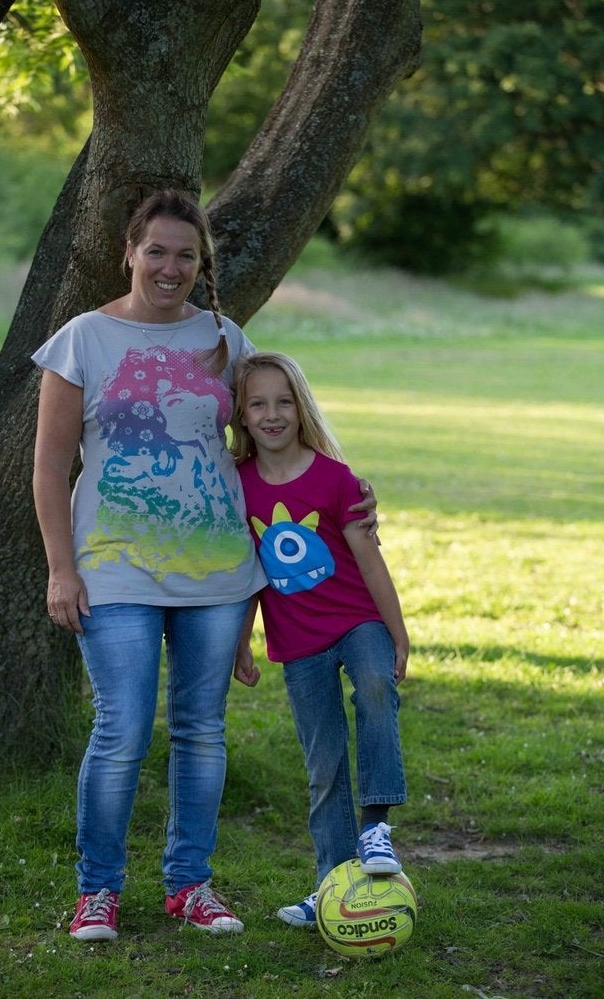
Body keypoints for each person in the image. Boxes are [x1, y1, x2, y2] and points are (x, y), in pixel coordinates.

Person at [32, 190, 377, 941]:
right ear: (128, 252)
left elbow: (270, 440)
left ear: (202, 263)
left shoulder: (226, 337)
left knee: (200, 730)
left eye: (186, 254)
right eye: (156, 250)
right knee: (121, 728)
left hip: (218, 568)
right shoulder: (82, 339)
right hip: (112, 566)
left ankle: (190, 885)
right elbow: (51, 463)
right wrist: (63, 569)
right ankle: (98, 892)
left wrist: (346, 489)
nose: (170, 266)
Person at [231, 352, 409, 928]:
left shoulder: (336, 480)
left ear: (300, 407)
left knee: (377, 688)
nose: (272, 413)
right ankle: (334, 883)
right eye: (258, 403)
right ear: (241, 412)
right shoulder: (238, 485)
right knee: (324, 762)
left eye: (284, 401)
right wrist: (243, 642)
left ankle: (376, 828)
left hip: (359, 622)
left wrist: (399, 634)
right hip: (298, 641)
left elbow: (371, 562)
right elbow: (250, 575)